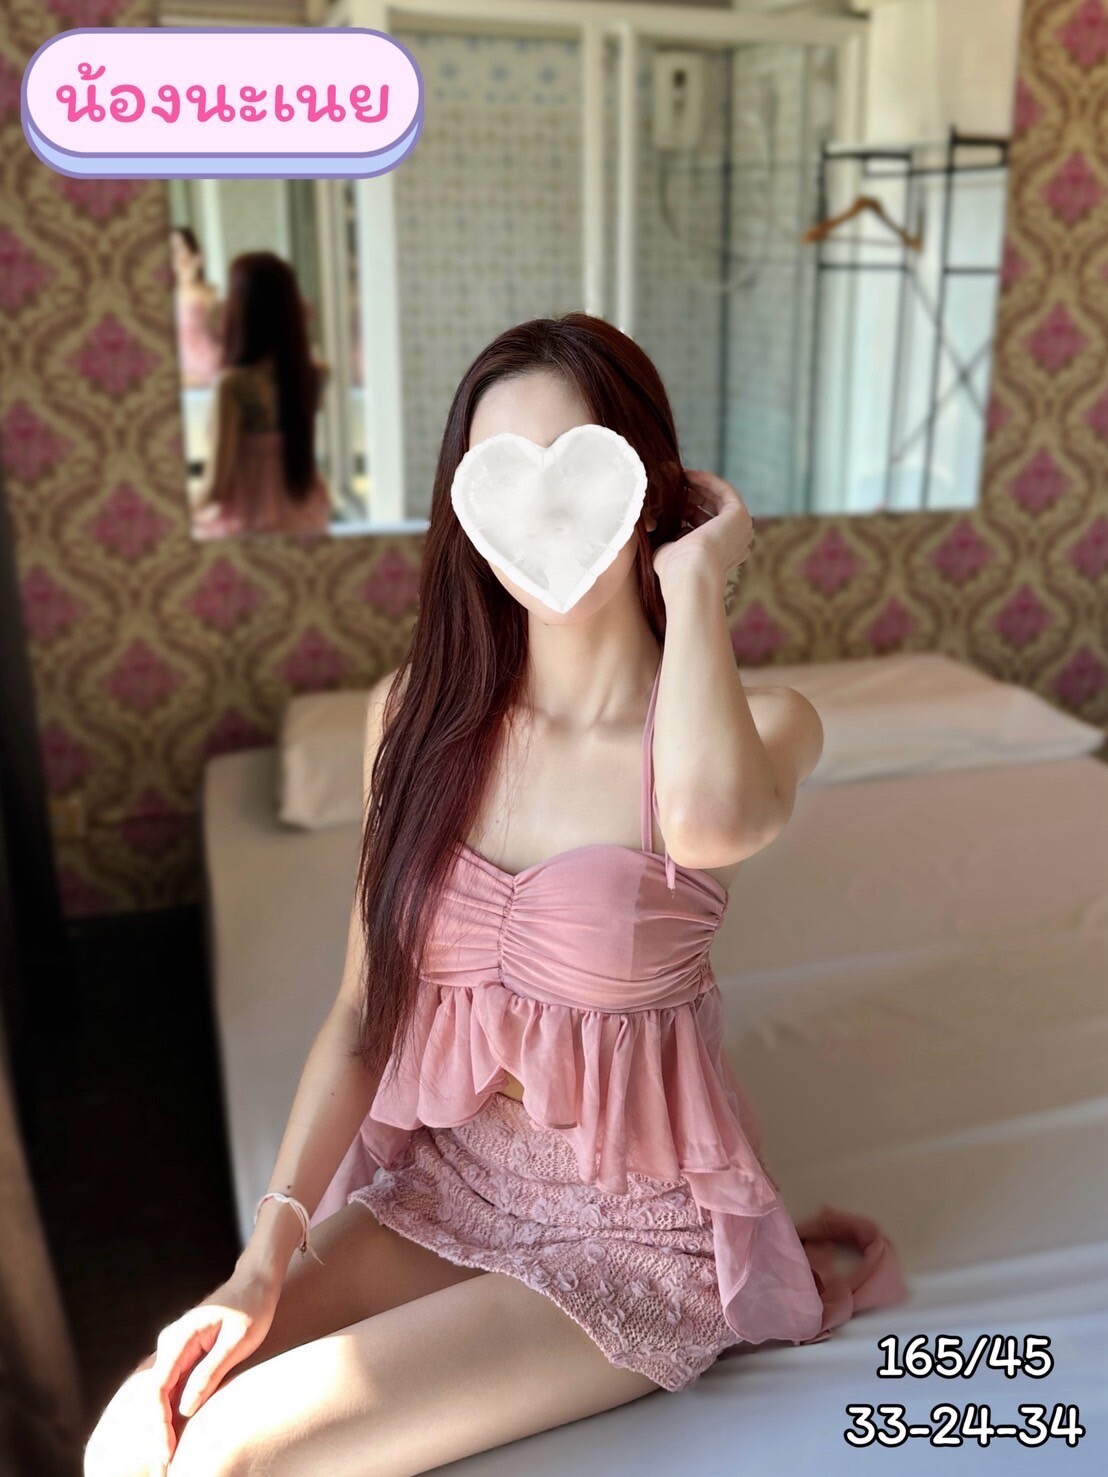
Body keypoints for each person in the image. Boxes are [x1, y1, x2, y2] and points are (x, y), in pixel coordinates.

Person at [85, 312, 906, 1476]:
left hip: (632, 1231)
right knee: (132, 1436)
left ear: (652, 487)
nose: (543, 519)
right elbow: (363, 1016)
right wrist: (259, 1261)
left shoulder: (764, 725)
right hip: (452, 1180)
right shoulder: (412, 719)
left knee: (233, 1455)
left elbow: (708, 821)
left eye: (581, 473)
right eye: (501, 482)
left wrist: (699, 578)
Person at [190, 251, 332, 541]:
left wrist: (175, 511)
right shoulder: (314, 375)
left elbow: (216, 486)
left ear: (241, 308)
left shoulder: (234, 385)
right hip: (305, 519)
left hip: (248, 528)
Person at [169, 225, 223, 389]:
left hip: (205, 372)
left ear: (192, 251)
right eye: (169, 248)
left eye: (179, 247)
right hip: (179, 377)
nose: (173, 254)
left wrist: (187, 280)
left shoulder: (207, 292)